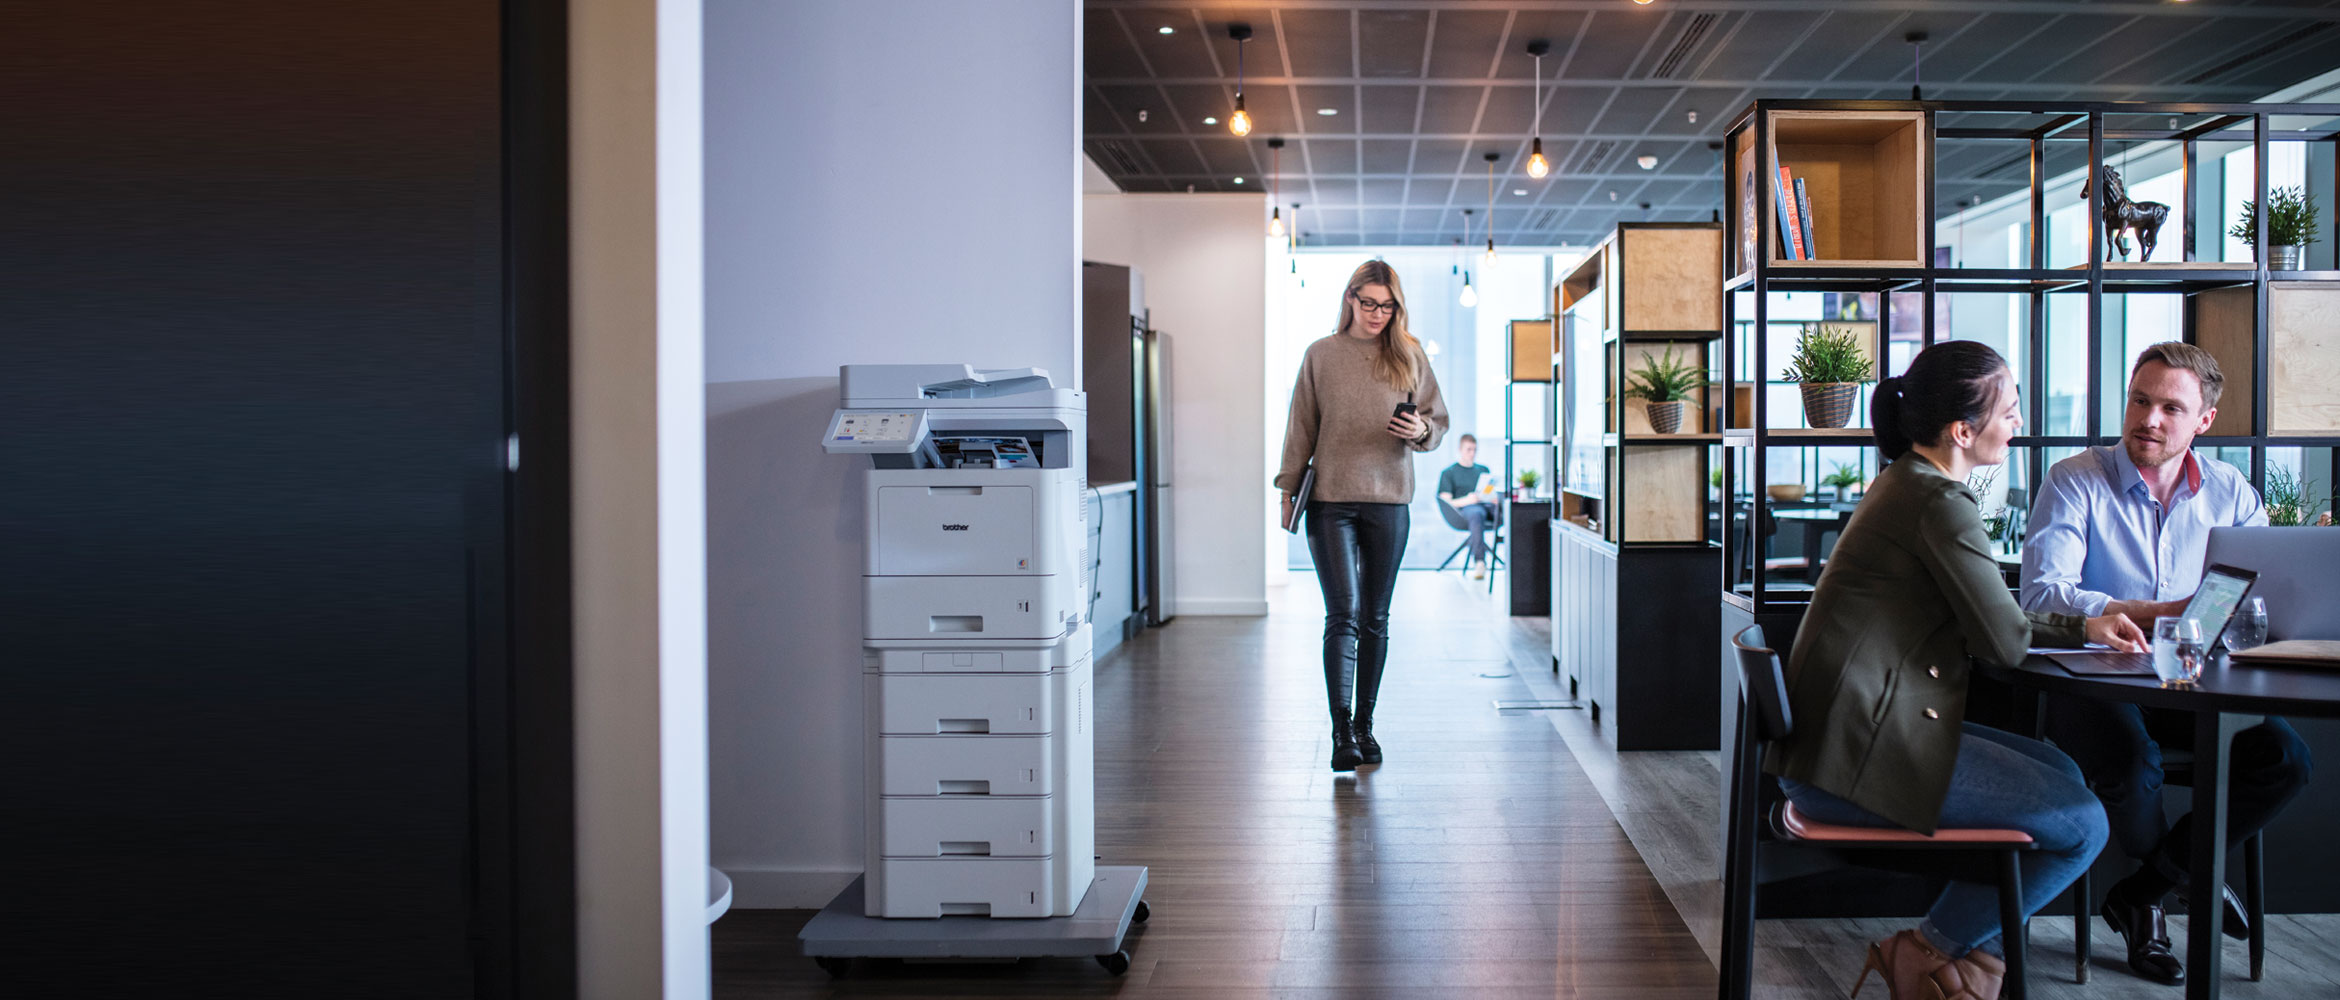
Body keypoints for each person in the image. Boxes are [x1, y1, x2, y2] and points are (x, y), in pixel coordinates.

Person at [1767, 341, 2139, 1000]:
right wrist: (2078, 628)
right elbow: (2002, 640)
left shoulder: (1911, 482)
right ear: (1963, 430)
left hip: (1839, 741)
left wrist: (2084, 625)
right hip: (1852, 762)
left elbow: (1993, 617)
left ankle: (1970, 960)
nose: (2018, 423)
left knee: (2064, 774)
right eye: (2010, 410)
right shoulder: (1939, 502)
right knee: (2085, 822)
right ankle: (1932, 952)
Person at [2020, 341, 2312, 986]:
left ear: (2203, 420)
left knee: (2285, 758)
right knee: (2131, 762)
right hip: (2087, 678)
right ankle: (2184, 882)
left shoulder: (2231, 491)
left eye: (2170, 408)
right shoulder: (2075, 479)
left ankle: (2147, 889)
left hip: (2191, 678)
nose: (2148, 419)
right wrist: (2162, 610)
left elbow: (2258, 597)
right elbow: (2042, 597)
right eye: (2140, 400)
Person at [1274, 260, 1448, 772]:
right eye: (1369, 302)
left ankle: (1366, 726)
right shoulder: (1321, 355)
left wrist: (1418, 432)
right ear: (1350, 298)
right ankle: (1340, 730)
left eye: (1387, 305)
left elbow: (1438, 424)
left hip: (1390, 501)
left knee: (1375, 618)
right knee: (1342, 614)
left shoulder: (1409, 355)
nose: (1377, 314)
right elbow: (1300, 427)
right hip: (1330, 502)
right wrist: (1287, 489)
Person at [1437, 434, 1502, 579]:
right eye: (1469, 449)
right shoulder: (1449, 473)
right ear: (1460, 449)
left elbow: (1489, 492)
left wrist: (1493, 498)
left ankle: (1516, 556)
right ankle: (1480, 562)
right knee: (1476, 513)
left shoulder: (1483, 470)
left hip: (1486, 505)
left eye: (1474, 450)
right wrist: (1468, 500)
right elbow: (1447, 502)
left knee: (1506, 510)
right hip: (1466, 510)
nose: (1472, 453)